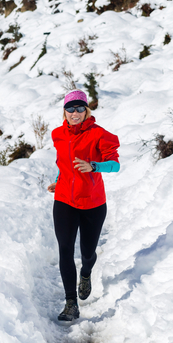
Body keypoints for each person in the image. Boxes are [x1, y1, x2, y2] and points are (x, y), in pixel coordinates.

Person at [47, 90, 120, 321]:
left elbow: (115, 165)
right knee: (65, 250)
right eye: (71, 108)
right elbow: (64, 163)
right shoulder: (58, 134)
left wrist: (95, 167)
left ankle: (86, 273)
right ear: (64, 111)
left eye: (80, 108)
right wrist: (58, 181)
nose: (75, 113)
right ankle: (71, 303)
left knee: (87, 253)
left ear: (86, 110)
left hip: (92, 202)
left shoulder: (99, 134)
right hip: (64, 201)